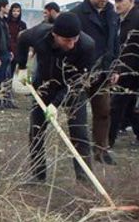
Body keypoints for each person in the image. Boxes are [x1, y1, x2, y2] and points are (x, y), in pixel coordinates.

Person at [16, 12, 95, 183]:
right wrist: (22, 66)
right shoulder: (39, 34)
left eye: (75, 39)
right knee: (36, 130)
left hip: (73, 90)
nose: (72, 44)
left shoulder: (86, 46)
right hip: (44, 86)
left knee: (79, 132)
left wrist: (55, 104)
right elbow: (22, 40)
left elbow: (76, 82)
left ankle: (85, 180)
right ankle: (38, 175)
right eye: (67, 40)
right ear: (55, 35)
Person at [71, 0, 120, 165]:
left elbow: (114, 44)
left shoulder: (111, 15)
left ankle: (101, 149)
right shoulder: (78, 14)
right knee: (79, 115)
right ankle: (80, 153)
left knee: (104, 111)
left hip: (105, 72)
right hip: (82, 72)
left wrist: (115, 68)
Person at [109, 0, 139, 147]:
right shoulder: (120, 19)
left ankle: (107, 142)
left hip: (131, 71)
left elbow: (130, 50)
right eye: (115, 1)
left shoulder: (136, 18)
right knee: (125, 106)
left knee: (117, 105)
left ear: (131, 1)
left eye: (120, 1)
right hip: (126, 70)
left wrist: (121, 70)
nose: (117, 4)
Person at [7, 2, 28, 77]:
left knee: (13, 71)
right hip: (7, 49)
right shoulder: (6, 22)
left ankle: (10, 86)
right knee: (6, 71)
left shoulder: (23, 24)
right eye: (14, 11)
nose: (16, 13)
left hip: (18, 50)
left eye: (18, 11)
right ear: (11, 11)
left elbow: (25, 39)